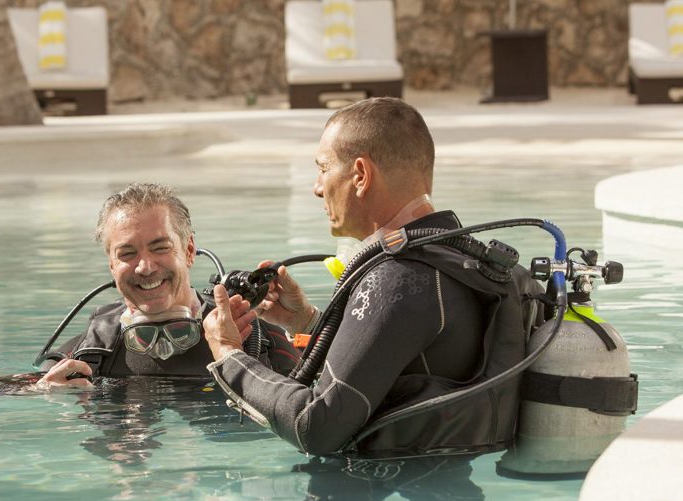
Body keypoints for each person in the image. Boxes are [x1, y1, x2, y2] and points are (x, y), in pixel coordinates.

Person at [203, 97, 531, 457]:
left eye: (323, 169)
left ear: (360, 175)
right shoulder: (471, 265)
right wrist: (308, 321)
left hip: (385, 496)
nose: (316, 187)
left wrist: (230, 354)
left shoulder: (397, 279)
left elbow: (315, 425)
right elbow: (408, 361)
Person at [37, 183, 298, 389]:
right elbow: (4, 392)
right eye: (127, 254)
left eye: (160, 248)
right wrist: (43, 394)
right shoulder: (90, 352)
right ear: (112, 265)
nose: (145, 267)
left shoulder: (255, 338)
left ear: (189, 250)